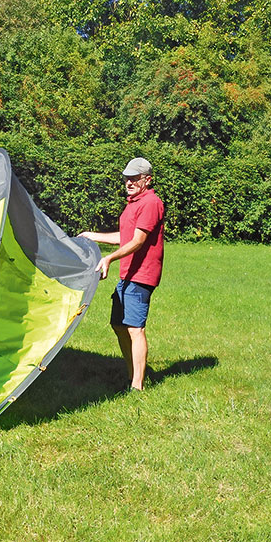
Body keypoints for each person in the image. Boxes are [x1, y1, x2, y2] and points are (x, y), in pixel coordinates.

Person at [79, 157, 164, 391]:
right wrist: (94, 235)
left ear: (147, 179)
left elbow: (138, 241)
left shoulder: (150, 203)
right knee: (118, 325)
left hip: (142, 275)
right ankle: (131, 374)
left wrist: (109, 257)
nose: (129, 182)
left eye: (135, 178)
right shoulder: (133, 204)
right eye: (127, 177)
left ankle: (137, 385)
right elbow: (125, 236)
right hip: (128, 274)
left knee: (135, 329)